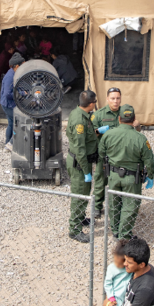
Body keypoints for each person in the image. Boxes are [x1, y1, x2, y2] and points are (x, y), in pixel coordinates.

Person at [98, 105, 154, 241]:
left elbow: (101, 153)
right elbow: (149, 160)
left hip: (113, 175)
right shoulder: (140, 138)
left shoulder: (108, 134)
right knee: (130, 205)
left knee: (114, 203)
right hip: (132, 177)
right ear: (134, 119)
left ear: (119, 118)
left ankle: (116, 231)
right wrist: (150, 176)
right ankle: (125, 235)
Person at [66, 90, 98, 243]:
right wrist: (86, 171)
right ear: (91, 104)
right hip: (79, 164)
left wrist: (97, 132)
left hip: (80, 162)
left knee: (84, 193)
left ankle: (80, 218)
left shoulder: (78, 113)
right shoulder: (80, 120)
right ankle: (74, 229)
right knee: (79, 195)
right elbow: (79, 149)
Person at [91, 87, 123, 219]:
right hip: (104, 155)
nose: (115, 101)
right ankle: (97, 207)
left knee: (118, 182)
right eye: (113, 98)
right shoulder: (99, 115)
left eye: (118, 98)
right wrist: (99, 130)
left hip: (120, 155)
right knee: (100, 181)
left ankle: (117, 207)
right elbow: (90, 134)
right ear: (107, 99)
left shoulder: (124, 112)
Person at [100, 240, 132, 306]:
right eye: (116, 261)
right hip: (116, 297)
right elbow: (107, 284)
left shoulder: (128, 268)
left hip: (127, 296)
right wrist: (111, 297)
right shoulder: (112, 268)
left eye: (120, 263)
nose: (117, 265)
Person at [0, 52, 24, 151]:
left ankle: (7, 144)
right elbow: (7, 94)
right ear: (17, 66)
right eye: (23, 65)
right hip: (8, 105)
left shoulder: (14, 73)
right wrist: (21, 94)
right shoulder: (10, 77)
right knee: (20, 123)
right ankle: (11, 144)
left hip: (7, 104)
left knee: (11, 123)